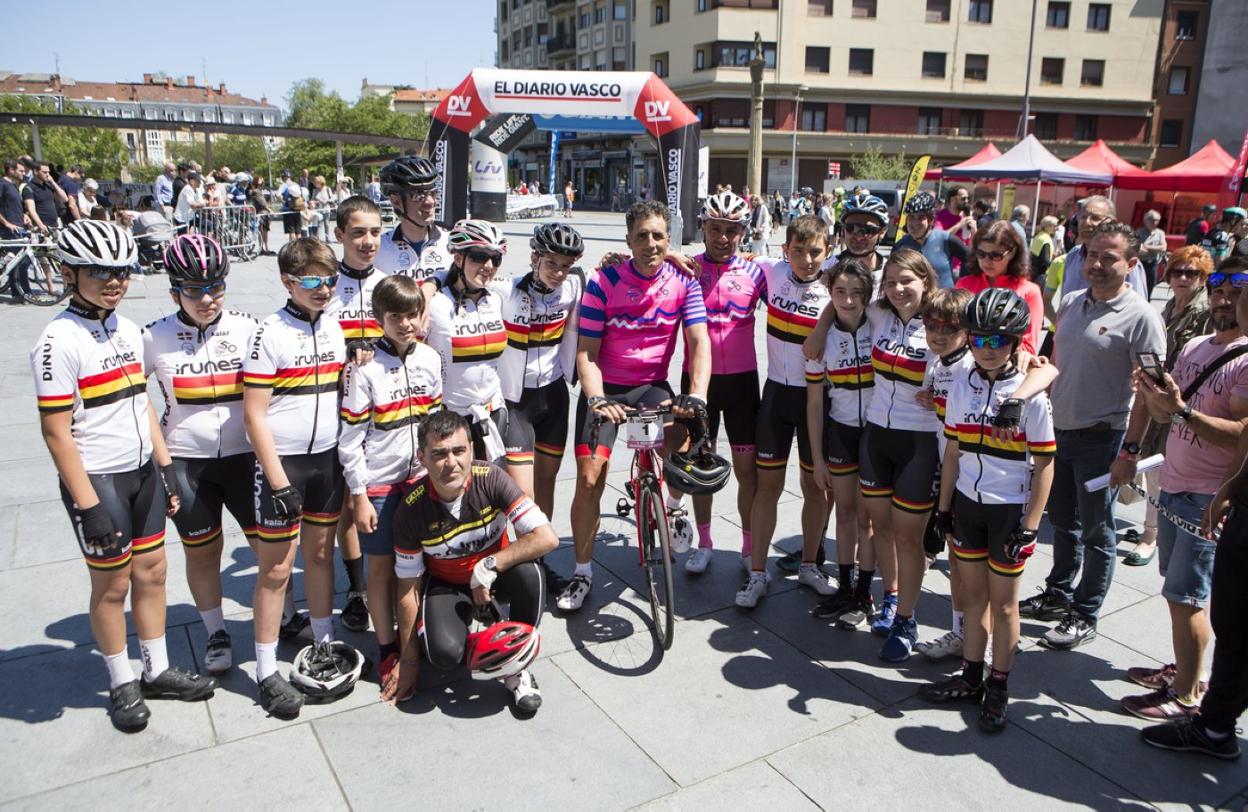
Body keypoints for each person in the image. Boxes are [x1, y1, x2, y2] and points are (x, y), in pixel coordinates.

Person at [32, 220, 218, 732]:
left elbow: (142, 403)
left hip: (142, 472)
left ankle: (156, 670)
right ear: (69, 274)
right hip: (98, 479)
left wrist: (165, 467)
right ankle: (121, 681)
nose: (113, 281)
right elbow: (55, 432)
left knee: (153, 572)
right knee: (112, 585)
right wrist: (88, 505)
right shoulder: (57, 340)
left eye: (121, 271)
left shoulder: (129, 330)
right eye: (98, 272)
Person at [558, 200, 711, 611]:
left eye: (658, 235)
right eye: (642, 236)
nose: (651, 243)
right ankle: (582, 572)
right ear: (628, 240)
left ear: (669, 239)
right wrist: (596, 399)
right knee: (589, 479)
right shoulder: (604, 281)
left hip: (651, 387)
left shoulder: (684, 281)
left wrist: (698, 393)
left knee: (682, 449)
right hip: (606, 388)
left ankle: (673, 508)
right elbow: (586, 353)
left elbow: (699, 342)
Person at [1021, 221, 1166, 651]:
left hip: (1102, 440)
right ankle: (1057, 594)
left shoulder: (1142, 318)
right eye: (1091, 255)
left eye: (1109, 257)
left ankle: (1084, 613)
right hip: (1058, 434)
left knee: (1097, 533)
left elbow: (1149, 394)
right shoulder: (1070, 302)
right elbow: (1055, 361)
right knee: (1063, 522)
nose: (1097, 264)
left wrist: (1130, 451)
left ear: (1132, 264)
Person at [923, 288, 1056, 733]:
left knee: (1004, 606)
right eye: (980, 339)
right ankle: (971, 676)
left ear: (1016, 341)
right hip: (967, 504)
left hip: (1007, 511)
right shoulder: (964, 384)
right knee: (972, 597)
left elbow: (1046, 464)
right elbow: (952, 451)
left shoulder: (1030, 396)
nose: (988, 348)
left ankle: (998, 686)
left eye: (999, 340)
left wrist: (1030, 526)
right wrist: (942, 510)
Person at [1123, 258, 1248, 722]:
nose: (1224, 299)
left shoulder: (1247, 358)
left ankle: (1187, 695)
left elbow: (1241, 435)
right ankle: (1185, 671)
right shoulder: (1196, 345)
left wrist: (1182, 412)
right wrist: (1154, 397)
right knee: (1179, 595)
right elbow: (1166, 413)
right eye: (1218, 289)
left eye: (1237, 291)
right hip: (1175, 483)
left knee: (1186, 597)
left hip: (1207, 496)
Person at [381, 410, 558, 711]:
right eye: (439, 454)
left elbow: (547, 537)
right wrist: (409, 662)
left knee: (532, 575)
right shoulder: (410, 509)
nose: (451, 462)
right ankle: (485, 638)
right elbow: (407, 588)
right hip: (447, 584)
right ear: (422, 458)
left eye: (459, 451)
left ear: (472, 450)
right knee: (443, 656)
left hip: (495, 576)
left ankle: (517, 667)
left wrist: (487, 567)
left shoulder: (492, 478)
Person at [142, 234, 261, 675]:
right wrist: (163, 464)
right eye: (194, 290)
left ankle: (287, 616)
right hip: (186, 462)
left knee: (267, 548)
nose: (207, 299)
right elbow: (135, 399)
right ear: (175, 292)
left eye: (216, 287)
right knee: (203, 553)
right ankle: (216, 632)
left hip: (245, 458)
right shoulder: (153, 336)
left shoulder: (248, 326)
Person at [242, 238, 347, 719]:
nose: (323, 288)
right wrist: (278, 479)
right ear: (288, 282)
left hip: (327, 460)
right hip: (284, 465)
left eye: (330, 280)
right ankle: (266, 672)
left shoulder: (334, 325)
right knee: (277, 570)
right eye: (311, 280)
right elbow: (254, 415)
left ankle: (324, 643)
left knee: (321, 556)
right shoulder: (269, 332)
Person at [340, 274, 442, 684]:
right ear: (378, 317)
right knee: (380, 569)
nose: (405, 324)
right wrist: (359, 495)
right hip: (380, 482)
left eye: (412, 314)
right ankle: (386, 650)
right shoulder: (364, 367)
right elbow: (350, 439)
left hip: (420, 479)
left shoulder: (430, 358)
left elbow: (437, 422)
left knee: (418, 565)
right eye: (395, 316)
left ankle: (414, 637)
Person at [733, 214, 836, 608]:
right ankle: (758, 573)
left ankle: (810, 564)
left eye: (815, 252)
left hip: (817, 399)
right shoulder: (771, 271)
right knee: (767, 488)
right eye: (799, 251)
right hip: (777, 394)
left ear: (828, 251)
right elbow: (720, 260)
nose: (807, 260)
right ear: (784, 250)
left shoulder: (835, 283)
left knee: (815, 488)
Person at [685, 193, 767, 575]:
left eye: (732, 231)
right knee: (700, 468)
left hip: (742, 386)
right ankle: (704, 543)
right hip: (698, 384)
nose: (722, 238)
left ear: (743, 233)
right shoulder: (686, 269)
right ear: (702, 227)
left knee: (747, 471)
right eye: (715, 228)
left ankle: (748, 547)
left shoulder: (757, 272)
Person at [1125, 246, 1214, 566]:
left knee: (1159, 468)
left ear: (1203, 278)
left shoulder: (1203, 312)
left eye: (1192, 273)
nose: (1183, 278)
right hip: (1157, 395)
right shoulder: (1170, 306)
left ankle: (1151, 535)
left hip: (1180, 401)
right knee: (1152, 462)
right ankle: (1154, 527)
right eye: (1177, 271)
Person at [324, 196, 388, 634]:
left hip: (385, 409)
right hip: (338, 408)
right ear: (339, 235)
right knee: (349, 500)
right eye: (358, 232)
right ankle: (357, 589)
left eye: (375, 232)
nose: (368, 241)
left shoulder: (390, 281)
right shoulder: (326, 285)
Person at [499, 223, 585, 529]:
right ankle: (523, 549)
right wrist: (431, 284)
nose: (558, 273)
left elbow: (632, 263)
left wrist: (672, 255)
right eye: (551, 263)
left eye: (565, 266)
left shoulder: (575, 286)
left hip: (554, 395)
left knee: (547, 481)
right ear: (534, 258)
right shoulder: (506, 290)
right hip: (516, 401)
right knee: (522, 492)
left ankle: (540, 553)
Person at [806, 259, 877, 623]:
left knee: (867, 518)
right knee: (846, 512)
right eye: (840, 292)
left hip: (876, 433)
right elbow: (815, 403)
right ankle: (846, 588)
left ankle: (865, 593)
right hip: (842, 432)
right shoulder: (822, 340)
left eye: (856, 293)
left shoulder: (880, 324)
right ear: (830, 294)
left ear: (868, 295)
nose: (848, 300)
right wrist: (818, 459)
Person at [420, 219, 510, 465]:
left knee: (490, 487)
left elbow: (543, 279)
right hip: (452, 418)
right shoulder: (436, 304)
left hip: (493, 412)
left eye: (495, 259)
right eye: (479, 257)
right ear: (458, 259)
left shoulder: (498, 297)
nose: (488, 266)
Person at [1043, 195, 1147, 323]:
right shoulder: (1073, 256)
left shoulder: (1124, 262)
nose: (1086, 223)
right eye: (1083, 217)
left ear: (1112, 222)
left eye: (1095, 218)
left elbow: (1138, 313)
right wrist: (1060, 325)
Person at [956, 220, 1046, 354]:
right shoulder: (964, 285)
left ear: (1012, 253)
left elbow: (1028, 345)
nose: (987, 261)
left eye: (996, 255)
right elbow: (953, 331)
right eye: (981, 254)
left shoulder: (1030, 292)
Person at [375, 156, 450, 279]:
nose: (430, 202)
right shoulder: (379, 250)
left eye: (433, 193)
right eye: (419, 196)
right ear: (396, 201)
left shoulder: (451, 244)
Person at [895, 191, 968, 289]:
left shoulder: (946, 239)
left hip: (943, 297)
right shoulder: (901, 245)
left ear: (931, 220)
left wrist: (963, 285)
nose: (915, 223)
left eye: (921, 217)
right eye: (911, 217)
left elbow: (971, 261)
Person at [22, 161, 67, 235]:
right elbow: (31, 210)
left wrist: (53, 182)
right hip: (40, 228)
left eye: (48, 172)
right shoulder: (29, 188)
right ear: (36, 172)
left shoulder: (48, 186)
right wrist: (41, 226)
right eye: (44, 172)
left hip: (54, 226)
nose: (47, 175)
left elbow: (64, 199)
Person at [1137, 210, 1168, 295]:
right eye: (1152, 220)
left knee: (1150, 285)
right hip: (1141, 263)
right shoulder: (1139, 232)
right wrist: (1155, 249)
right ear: (1145, 220)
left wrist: (1146, 246)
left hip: (1153, 264)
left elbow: (1163, 248)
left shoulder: (1160, 233)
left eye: (1157, 220)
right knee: (1139, 285)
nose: (1155, 222)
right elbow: (1139, 249)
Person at [0, 158, 26, 239]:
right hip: (7, 232)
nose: (24, 173)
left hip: (19, 229)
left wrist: (24, 216)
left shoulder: (14, 185)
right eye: (21, 171)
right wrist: (7, 224)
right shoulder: (2, 184)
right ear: (11, 170)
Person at [277, 170, 304, 244]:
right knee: (298, 231)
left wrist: (283, 202)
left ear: (283, 177)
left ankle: (293, 247)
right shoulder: (296, 184)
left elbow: (277, 195)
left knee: (291, 231)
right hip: (297, 209)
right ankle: (299, 246)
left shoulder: (284, 185)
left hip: (288, 210)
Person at [249, 176, 274, 255]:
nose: (262, 184)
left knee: (265, 232)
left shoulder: (259, 191)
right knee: (262, 231)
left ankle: (266, 247)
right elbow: (262, 203)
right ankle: (262, 248)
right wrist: (270, 210)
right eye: (261, 183)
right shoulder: (256, 191)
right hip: (261, 214)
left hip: (264, 214)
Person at [1030, 215, 1059, 282]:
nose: (1056, 228)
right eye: (1054, 226)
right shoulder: (1046, 240)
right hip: (1040, 274)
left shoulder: (1039, 236)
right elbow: (1046, 261)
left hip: (1033, 271)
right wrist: (1056, 265)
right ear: (1048, 226)